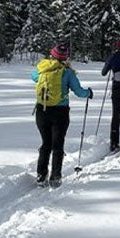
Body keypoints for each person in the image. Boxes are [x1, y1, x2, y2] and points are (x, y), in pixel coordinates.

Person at [31, 44, 93, 187]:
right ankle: (55, 177)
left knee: (46, 144)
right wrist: (88, 93)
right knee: (57, 145)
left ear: (52, 55)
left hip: (42, 111)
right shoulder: (67, 72)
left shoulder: (42, 68)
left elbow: (33, 77)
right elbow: (78, 91)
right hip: (60, 112)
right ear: (65, 58)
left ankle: (41, 176)